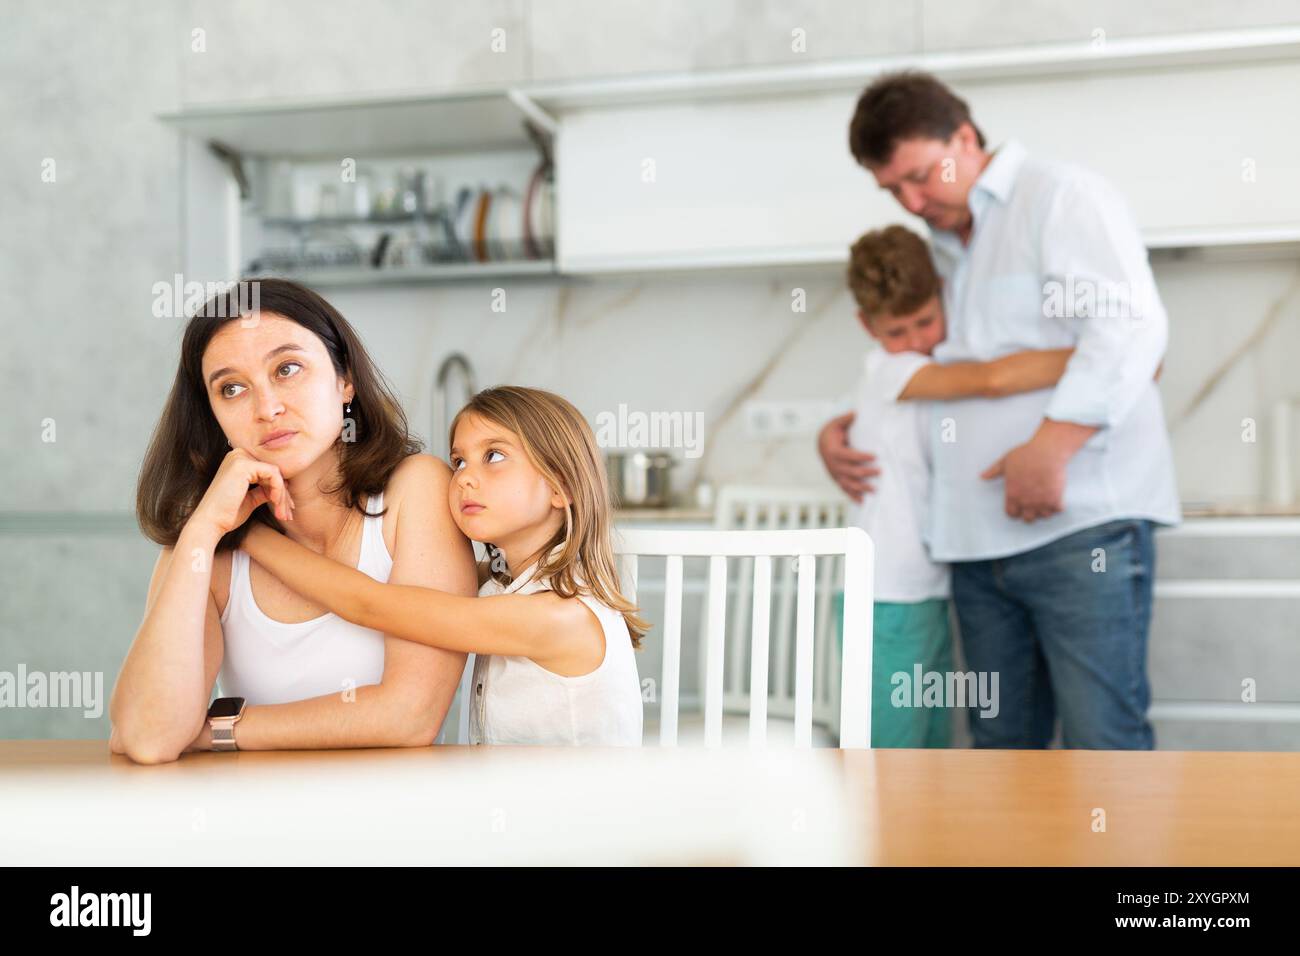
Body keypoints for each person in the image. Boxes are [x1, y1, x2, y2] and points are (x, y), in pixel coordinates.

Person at [820, 72, 1181, 749]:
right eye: (893, 190)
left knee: (1103, 744)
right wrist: (837, 432)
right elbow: (922, 373)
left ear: (964, 137)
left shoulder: (1061, 198)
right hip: (973, 549)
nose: (913, 200)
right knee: (1000, 757)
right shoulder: (940, 253)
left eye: (921, 176)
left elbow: (1131, 330)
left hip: (1080, 533)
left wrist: (1052, 446)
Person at [110, 279, 476, 763]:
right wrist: (199, 532)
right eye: (232, 388)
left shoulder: (416, 491)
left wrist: (217, 730)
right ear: (212, 413)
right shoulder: (208, 544)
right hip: (254, 826)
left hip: (395, 822)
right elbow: (148, 737)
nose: (268, 408)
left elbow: (409, 715)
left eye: (287, 368)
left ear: (344, 377)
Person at [241, 386, 647, 746]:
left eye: (494, 456)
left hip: (580, 823)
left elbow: (369, 603)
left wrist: (245, 533)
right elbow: (393, 581)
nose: (465, 478)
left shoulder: (558, 615)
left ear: (561, 487)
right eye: (459, 461)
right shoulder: (508, 584)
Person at [838, 224, 1074, 747]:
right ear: (867, 326)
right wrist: (1100, 355)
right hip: (883, 593)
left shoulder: (911, 368)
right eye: (897, 330)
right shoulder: (890, 368)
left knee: (932, 746)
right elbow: (992, 380)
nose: (916, 341)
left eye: (924, 321)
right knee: (890, 750)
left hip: (925, 589)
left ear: (943, 294)